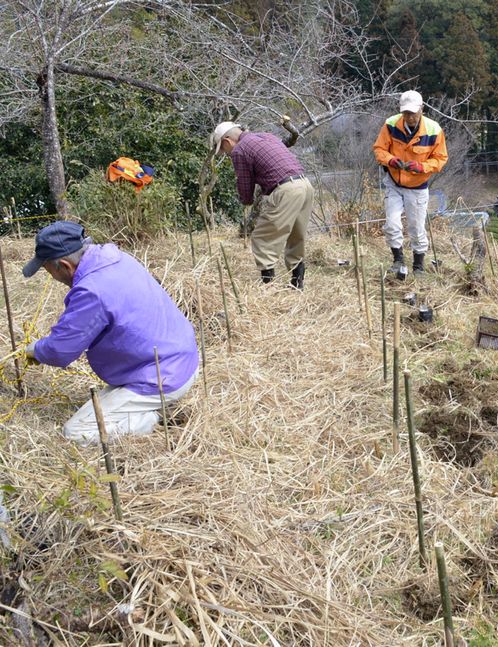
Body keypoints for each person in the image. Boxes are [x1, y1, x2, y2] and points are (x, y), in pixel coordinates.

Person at [22, 221, 198, 445]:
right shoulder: (117, 258)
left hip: (164, 376)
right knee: (96, 409)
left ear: (65, 266)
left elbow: (60, 350)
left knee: (76, 432)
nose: (52, 278)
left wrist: (35, 350)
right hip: (180, 356)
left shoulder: (92, 291)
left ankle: (152, 418)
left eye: (49, 271)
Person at [211, 121, 314, 288]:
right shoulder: (267, 136)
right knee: (296, 235)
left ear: (227, 141)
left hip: (286, 190)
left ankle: (268, 285)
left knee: (261, 237)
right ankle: (297, 283)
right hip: (305, 184)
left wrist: (246, 201)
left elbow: (245, 183)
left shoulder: (239, 150)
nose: (226, 153)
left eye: (223, 149)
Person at [373, 90, 448, 279]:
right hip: (394, 183)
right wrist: (390, 160)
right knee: (392, 223)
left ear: (421, 109)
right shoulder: (391, 124)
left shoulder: (434, 130)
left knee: (416, 228)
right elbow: (379, 149)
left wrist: (421, 167)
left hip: (417, 187)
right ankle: (398, 260)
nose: (410, 117)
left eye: (413, 113)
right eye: (406, 113)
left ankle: (418, 266)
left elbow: (440, 159)